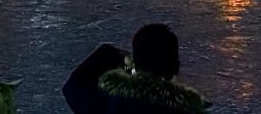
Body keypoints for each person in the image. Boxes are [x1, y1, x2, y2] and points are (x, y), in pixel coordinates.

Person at [62, 23, 206, 113]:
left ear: (135, 64)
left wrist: (112, 54)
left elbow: (74, 86)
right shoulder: (185, 109)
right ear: (176, 67)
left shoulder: (111, 102)